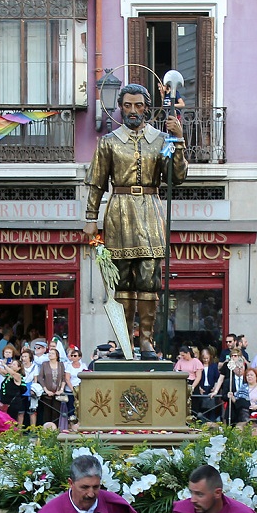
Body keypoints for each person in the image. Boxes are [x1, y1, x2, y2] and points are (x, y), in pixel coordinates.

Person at [82, 82, 188, 356]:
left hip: (150, 210)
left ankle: (146, 341)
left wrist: (179, 140)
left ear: (146, 107)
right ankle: (124, 340)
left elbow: (176, 178)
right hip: (119, 210)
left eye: (138, 105)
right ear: (120, 107)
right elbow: (96, 182)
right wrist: (90, 217)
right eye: (127, 105)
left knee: (149, 278)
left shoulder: (162, 140)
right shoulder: (108, 142)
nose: (132, 110)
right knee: (121, 281)